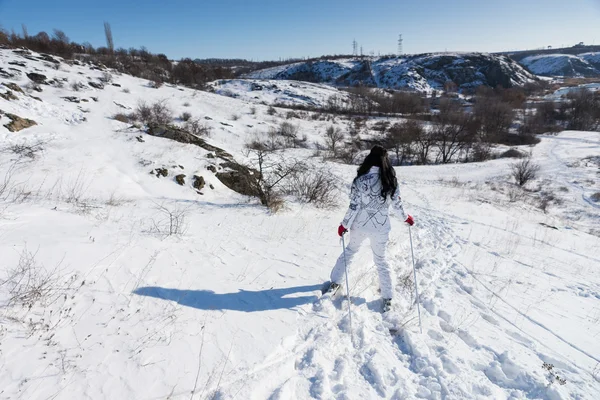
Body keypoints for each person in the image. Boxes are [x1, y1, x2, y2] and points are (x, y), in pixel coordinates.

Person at [327, 145, 414, 312]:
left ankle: (335, 282)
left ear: (369, 158)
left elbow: (354, 206)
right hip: (381, 228)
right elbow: (397, 206)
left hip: (359, 225)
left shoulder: (360, 180)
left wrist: (344, 225)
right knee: (381, 260)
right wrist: (406, 218)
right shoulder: (390, 180)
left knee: (350, 251)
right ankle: (387, 297)